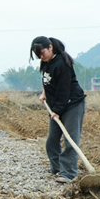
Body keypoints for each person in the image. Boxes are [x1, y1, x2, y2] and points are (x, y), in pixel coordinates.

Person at [30, 37, 86, 183]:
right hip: (57, 106)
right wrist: (44, 93)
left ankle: (69, 172)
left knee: (70, 140)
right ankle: (56, 168)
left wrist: (58, 110)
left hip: (72, 104)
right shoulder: (45, 62)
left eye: (42, 53)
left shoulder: (62, 63)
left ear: (50, 47)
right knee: (52, 140)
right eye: (38, 56)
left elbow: (63, 89)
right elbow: (48, 81)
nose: (41, 57)